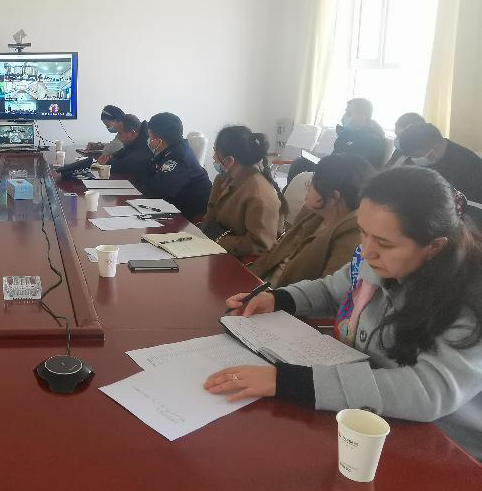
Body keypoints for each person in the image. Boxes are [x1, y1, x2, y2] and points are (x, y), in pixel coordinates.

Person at [205, 167, 482, 461]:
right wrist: (278, 299)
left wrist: (288, 381)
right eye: (363, 232)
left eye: (385, 243)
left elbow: (427, 392)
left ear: (435, 246)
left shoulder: (468, 302)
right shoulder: (376, 259)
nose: (367, 251)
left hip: (442, 448)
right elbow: (332, 290)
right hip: (363, 409)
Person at [249, 154, 374, 287]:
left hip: (280, 295)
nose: (307, 186)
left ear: (333, 197)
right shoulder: (314, 212)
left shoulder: (352, 241)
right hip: (259, 282)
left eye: (313, 183)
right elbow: (280, 247)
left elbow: (324, 292)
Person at [202, 126, 286, 257]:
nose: (213, 157)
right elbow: (211, 217)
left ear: (230, 160)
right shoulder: (224, 179)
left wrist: (217, 240)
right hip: (218, 249)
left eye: (215, 152)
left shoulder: (259, 194)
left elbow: (260, 245)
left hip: (242, 261)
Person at [286, 98, 387, 184]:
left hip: (349, 176)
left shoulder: (372, 139)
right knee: (300, 162)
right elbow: (337, 153)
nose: (344, 116)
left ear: (361, 117)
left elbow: (358, 166)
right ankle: (289, 194)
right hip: (337, 168)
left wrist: (328, 164)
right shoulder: (349, 132)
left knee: (300, 164)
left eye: (348, 113)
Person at [143, 113, 211, 219]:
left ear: (159, 140)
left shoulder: (179, 157)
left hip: (191, 216)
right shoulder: (174, 149)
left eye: (149, 136)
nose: (148, 140)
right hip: (177, 206)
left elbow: (159, 190)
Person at [397, 122, 482, 203]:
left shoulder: (467, 165)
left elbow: (464, 204)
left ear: (435, 148)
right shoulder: (427, 156)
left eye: (416, 156)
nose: (414, 160)